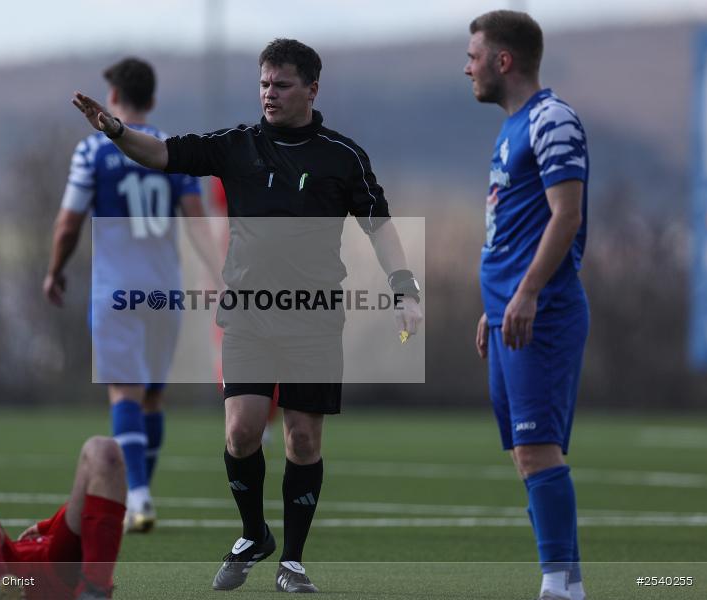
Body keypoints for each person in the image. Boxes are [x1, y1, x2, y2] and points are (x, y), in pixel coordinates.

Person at [72, 38, 423, 593]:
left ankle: (294, 561)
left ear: (311, 89)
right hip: (248, 312)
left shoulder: (342, 156)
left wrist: (404, 287)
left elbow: (379, 226)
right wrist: (115, 131)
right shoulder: (236, 145)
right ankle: (254, 532)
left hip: (312, 316)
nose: (269, 94)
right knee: (241, 432)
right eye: (263, 83)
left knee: (303, 440)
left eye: (281, 85)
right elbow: (163, 153)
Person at [44, 57, 222, 534]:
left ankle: (136, 497)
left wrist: (55, 270)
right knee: (153, 399)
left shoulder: (92, 152)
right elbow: (197, 221)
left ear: (115, 98)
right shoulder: (171, 150)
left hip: (117, 290)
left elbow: (68, 223)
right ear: (153, 100)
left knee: (125, 391)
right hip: (165, 290)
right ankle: (141, 491)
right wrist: (219, 275)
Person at [465, 11, 589, 600]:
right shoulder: (512, 126)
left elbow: (567, 215)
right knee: (524, 453)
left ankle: (558, 587)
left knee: (539, 448)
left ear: (503, 60)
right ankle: (569, 581)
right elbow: (513, 228)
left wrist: (528, 292)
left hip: (544, 312)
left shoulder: (552, 120)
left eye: (474, 55)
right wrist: (496, 304)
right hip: (510, 313)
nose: (467, 66)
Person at [0, 436, 126, 600]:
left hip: (50, 572)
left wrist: (49, 524)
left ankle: (93, 592)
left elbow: (91, 511)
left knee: (103, 449)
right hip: (25, 575)